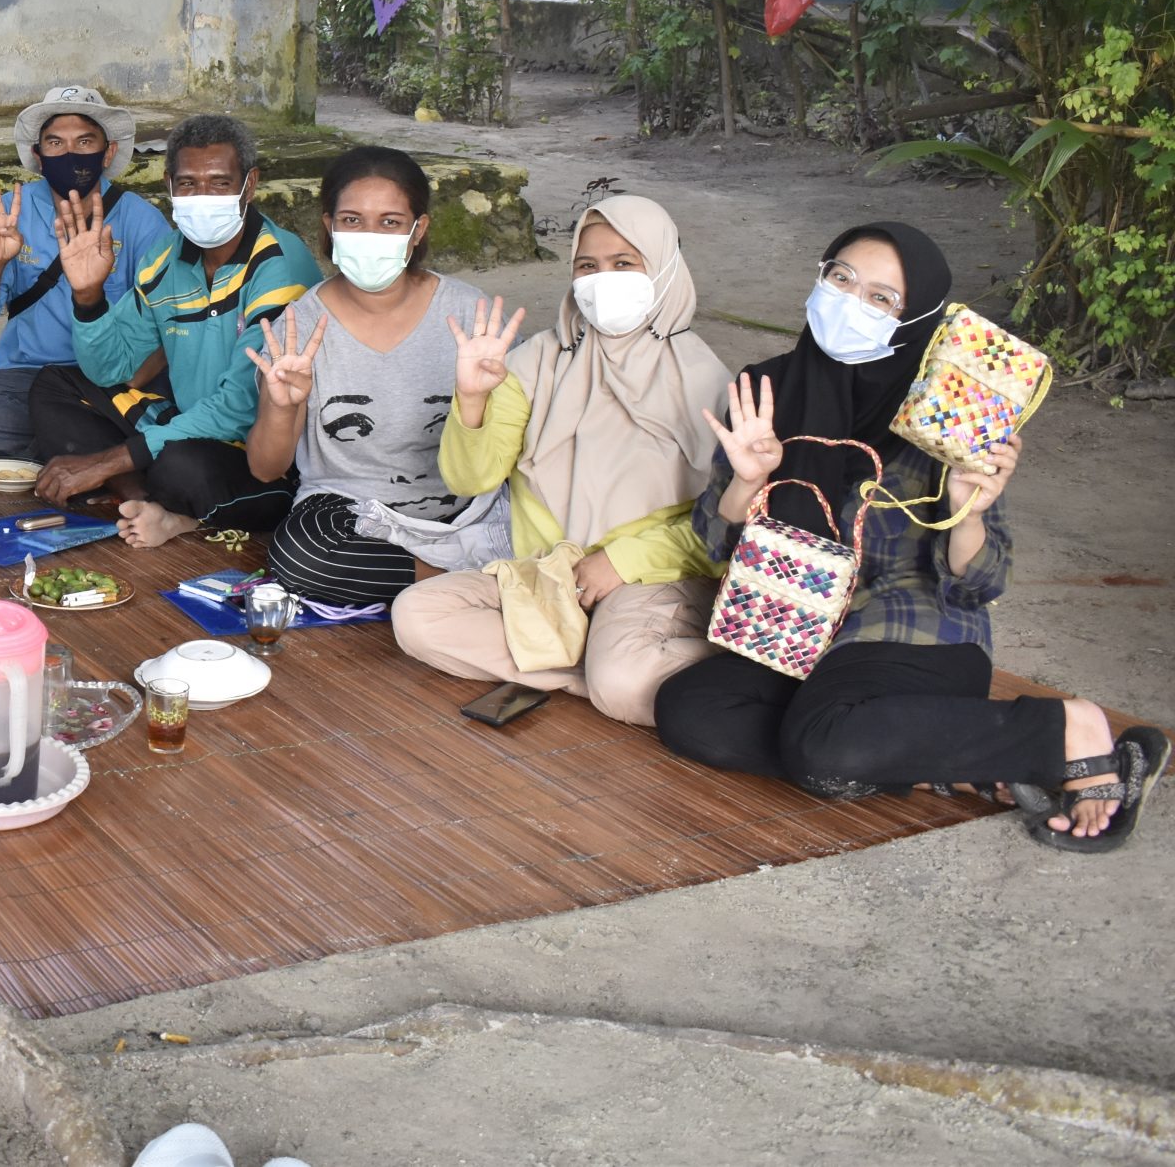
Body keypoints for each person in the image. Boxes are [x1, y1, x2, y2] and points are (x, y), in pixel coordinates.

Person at [655, 221, 1166, 851]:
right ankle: (938, 760)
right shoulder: (769, 390)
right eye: (840, 278)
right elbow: (714, 548)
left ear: (917, 317)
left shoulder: (951, 410)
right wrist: (748, 481)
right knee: (691, 712)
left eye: (880, 298)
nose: (849, 303)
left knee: (823, 746)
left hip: (914, 631)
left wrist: (968, 511)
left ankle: (1067, 729)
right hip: (800, 626)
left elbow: (983, 581)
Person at [387, 196, 731, 725]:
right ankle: (593, 674)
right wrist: (473, 399)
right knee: (417, 616)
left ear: (663, 268)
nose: (602, 279)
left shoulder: (709, 382)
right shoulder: (534, 363)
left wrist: (621, 562)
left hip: (651, 577)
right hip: (552, 575)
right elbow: (471, 477)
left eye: (624, 264)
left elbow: (722, 524)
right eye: (587, 266)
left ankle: (709, 667)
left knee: (627, 681)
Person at [29, 113, 318, 547]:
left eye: (220, 183)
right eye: (187, 184)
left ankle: (153, 496)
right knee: (54, 386)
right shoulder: (166, 256)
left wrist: (108, 460)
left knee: (181, 465)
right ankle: (145, 500)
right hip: (186, 423)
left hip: (262, 454)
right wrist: (88, 296)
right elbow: (111, 370)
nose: (202, 196)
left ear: (249, 185)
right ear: (169, 186)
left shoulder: (279, 264)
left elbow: (241, 407)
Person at [248, 146, 485, 613]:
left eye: (390, 222)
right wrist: (283, 404)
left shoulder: (471, 314)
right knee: (299, 557)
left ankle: (431, 580)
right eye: (352, 220)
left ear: (419, 230)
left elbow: (515, 451)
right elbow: (265, 469)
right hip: (349, 513)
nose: (369, 235)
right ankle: (471, 585)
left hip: (465, 509)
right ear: (328, 226)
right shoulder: (297, 328)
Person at [0, 84, 173, 459]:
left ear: (108, 153)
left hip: (111, 384)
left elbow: (168, 330)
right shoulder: (10, 212)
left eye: (85, 142)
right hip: (31, 381)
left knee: (169, 402)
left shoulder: (143, 222)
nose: (70, 153)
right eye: (55, 143)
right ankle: (90, 451)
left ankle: (50, 448)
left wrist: (123, 386)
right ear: (38, 156)